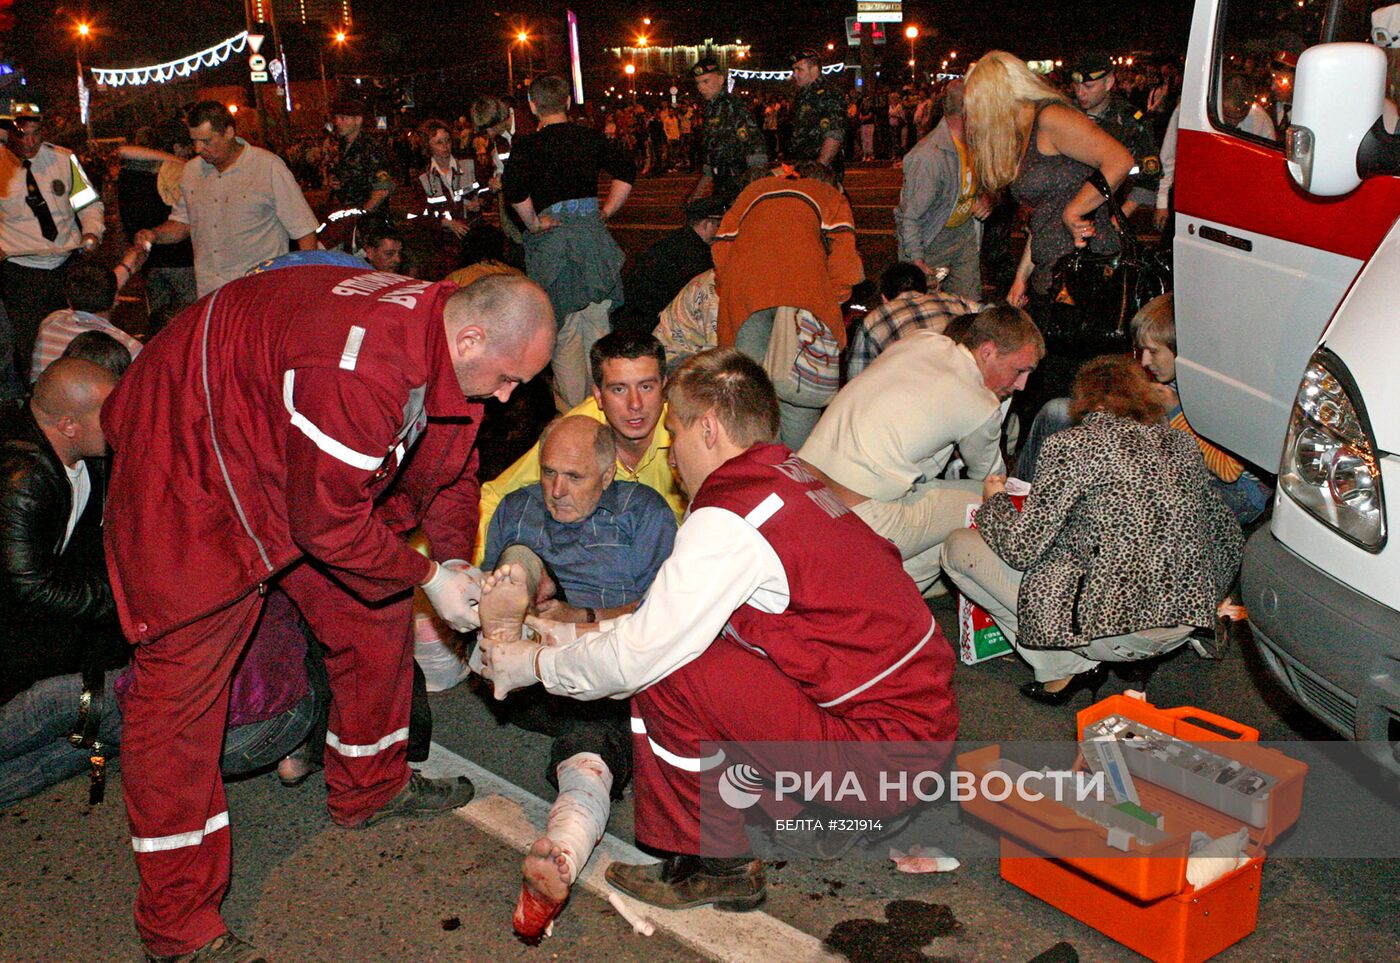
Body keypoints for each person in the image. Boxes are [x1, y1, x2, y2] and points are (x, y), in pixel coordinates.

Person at [101, 266, 555, 961]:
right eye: (506, 376)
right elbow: (325, 525)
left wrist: (454, 562)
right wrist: (430, 574)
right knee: (179, 695)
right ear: (469, 337)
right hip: (189, 453)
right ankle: (177, 925)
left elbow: (450, 467)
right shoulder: (366, 368)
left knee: (373, 608)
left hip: (273, 454)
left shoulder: (445, 344)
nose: (507, 394)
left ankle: (369, 784)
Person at [477, 348, 958, 917]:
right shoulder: (788, 475)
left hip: (884, 753)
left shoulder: (730, 517)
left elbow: (640, 655)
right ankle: (822, 813)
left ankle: (717, 864)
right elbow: (676, 617)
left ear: (708, 427)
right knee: (703, 647)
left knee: (670, 673)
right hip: (912, 730)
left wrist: (534, 667)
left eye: (674, 433)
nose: (672, 457)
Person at [941, 355, 1243, 704]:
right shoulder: (1183, 446)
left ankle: (1064, 667)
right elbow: (1229, 538)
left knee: (958, 547)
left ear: (1088, 401)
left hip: (1118, 632)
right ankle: (1113, 654)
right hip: (1183, 625)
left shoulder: (1071, 444)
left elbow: (1021, 548)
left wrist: (995, 503)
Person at [800, 305, 1043, 596]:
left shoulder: (920, 340)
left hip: (804, 487)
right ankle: (881, 599)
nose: (1022, 385)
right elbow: (991, 481)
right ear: (987, 351)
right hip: (862, 515)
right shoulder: (979, 403)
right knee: (988, 505)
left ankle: (874, 588)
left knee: (942, 515)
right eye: (1019, 370)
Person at [475, 330, 684, 559]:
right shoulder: (579, 431)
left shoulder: (687, 431)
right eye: (619, 389)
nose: (635, 404)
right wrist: (480, 570)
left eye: (646, 387)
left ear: (665, 388)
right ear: (598, 396)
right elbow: (494, 495)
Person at [961, 52, 1134, 310]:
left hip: (1084, 266)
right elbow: (1046, 214)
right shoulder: (1023, 133)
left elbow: (1120, 160)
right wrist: (1021, 278)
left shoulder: (1051, 117)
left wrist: (1075, 210)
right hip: (1049, 268)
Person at [503, 75, 633, 409]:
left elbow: (514, 190)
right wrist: (606, 210)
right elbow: (626, 169)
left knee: (563, 336)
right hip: (592, 240)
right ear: (567, 102)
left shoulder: (528, 147)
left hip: (554, 246)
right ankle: (611, 412)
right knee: (600, 335)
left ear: (533, 107)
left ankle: (579, 420)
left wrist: (534, 223)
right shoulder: (589, 138)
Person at [713, 165, 864, 448]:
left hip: (746, 298)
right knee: (798, 397)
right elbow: (846, 264)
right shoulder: (829, 196)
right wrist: (833, 299)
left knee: (750, 397)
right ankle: (794, 475)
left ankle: (756, 474)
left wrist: (729, 290)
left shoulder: (754, 191)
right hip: (805, 296)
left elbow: (721, 246)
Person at [134, 101, 319, 298]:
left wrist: (307, 284)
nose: (198, 149)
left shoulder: (268, 167)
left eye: (206, 141)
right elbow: (183, 223)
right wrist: (154, 234)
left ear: (229, 132)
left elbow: (304, 230)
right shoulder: (191, 171)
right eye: (194, 141)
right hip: (210, 294)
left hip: (261, 292)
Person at [0, 107, 104, 383]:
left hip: (66, 264)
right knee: (31, 344)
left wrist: (92, 233)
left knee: (74, 339)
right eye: (23, 136)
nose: (31, 142)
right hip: (21, 272)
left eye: (36, 135)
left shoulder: (63, 158)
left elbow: (88, 204)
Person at [894, 80, 990, 301]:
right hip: (931, 239)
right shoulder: (930, 156)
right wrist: (916, 259)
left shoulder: (977, 143)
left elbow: (992, 181)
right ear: (969, 111)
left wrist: (987, 198)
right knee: (926, 315)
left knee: (969, 307)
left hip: (963, 236)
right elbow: (911, 216)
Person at [115, 119, 198, 328]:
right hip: (181, 258)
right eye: (188, 147)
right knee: (191, 321)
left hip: (148, 259)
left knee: (159, 324)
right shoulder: (180, 171)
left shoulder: (132, 173)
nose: (192, 152)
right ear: (177, 146)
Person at [844, 262, 982, 383]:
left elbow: (857, 379)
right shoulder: (955, 301)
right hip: (964, 383)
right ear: (924, 289)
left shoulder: (875, 320)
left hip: (912, 395)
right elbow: (990, 312)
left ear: (884, 298)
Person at [610, 195, 725, 334]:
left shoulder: (677, 241)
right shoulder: (694, 254)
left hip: (635, 318)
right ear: (706, 224)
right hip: (649, 325)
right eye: (718, 225)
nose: (720, 233)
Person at [1068, 51, 1162, 216]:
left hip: (1105, 211)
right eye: (1076, 86)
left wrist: (1122, 215)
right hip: (1061, 208)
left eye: (1089, 87)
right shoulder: (1064, 114)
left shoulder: (1129, 120)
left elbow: (1149, 174)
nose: (1080, 93)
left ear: (1109, 82)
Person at [31, 258, 146, 381]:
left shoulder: (51, 322)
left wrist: (127, 265)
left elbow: (90, 292)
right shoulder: (130, 348)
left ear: (68, 299)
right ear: (116, 299)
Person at [688, 58, 768, 204]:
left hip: (740, 180)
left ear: (720, 79)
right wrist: (700, 189)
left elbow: (754, 146)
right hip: (721, 180)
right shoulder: (710, 109)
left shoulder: (734, 106)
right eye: (698, 83)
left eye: (706, 81)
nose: (701, 88)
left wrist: (754, 188)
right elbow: (712, 150)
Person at [328, 95, 394, 218]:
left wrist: (363, 213)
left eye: (343, 118)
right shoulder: (343, 146)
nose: (337, 122)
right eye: (336, 118)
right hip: (349, 214)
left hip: (371, 221)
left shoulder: (371, 148)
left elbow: (382, 188)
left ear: (358, 120)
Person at [787, 49, 847, 183]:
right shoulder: (802, 96)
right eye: (794, 70)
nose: (795, 75)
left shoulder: (829, 94)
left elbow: (834, 134)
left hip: (823, 174)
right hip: (802, 170)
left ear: (814, 69)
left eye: (799, 69)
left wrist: (820, 168)